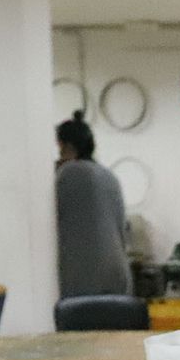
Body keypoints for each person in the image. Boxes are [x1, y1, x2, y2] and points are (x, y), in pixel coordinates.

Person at [54, 111, 130, 299]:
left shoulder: (66, 174)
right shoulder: (109, 176)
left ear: (66, 146)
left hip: (83, 279)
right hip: (117, 276)